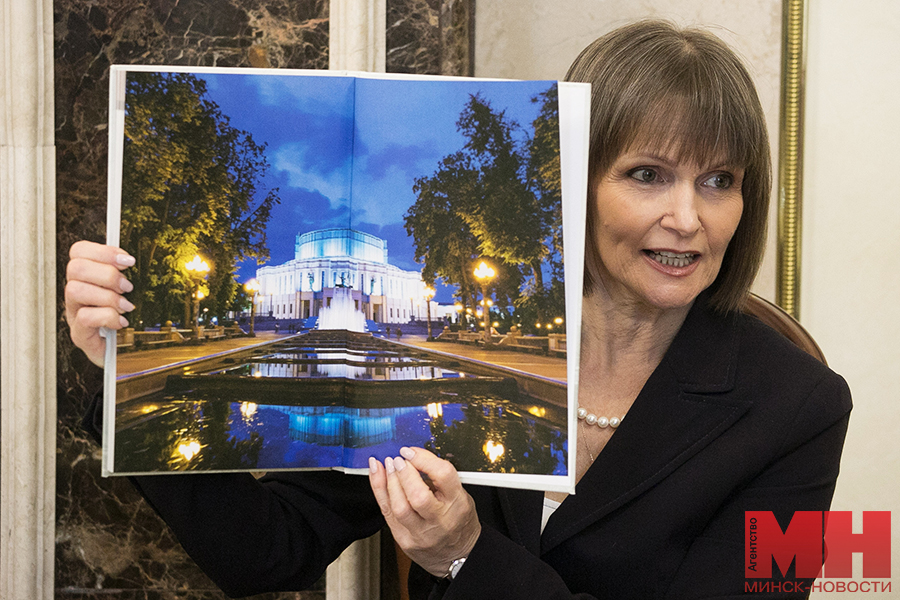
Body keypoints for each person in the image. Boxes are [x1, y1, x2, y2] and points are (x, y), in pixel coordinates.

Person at [66, 20, 850, 599]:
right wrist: (120, 362)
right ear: (573, 184)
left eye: (720, 180)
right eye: (648, 174)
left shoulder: (803, 408)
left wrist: (469, 558)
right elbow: (265, 553)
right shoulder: (432, 375)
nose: (689, 217)